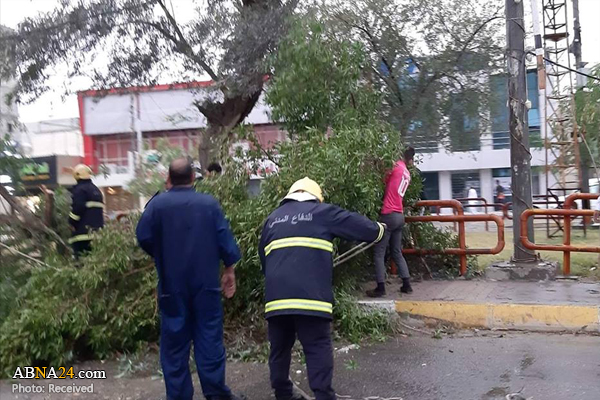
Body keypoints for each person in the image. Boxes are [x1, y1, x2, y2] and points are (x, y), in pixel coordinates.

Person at [259, 177, 385, 400]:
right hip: (311, 299)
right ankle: (323, 395)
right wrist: (380, 230)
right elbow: (362, 227)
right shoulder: (322, 213)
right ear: (315, 198)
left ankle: (282, 392)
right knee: (317, 347)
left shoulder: (272, 219)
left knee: (279, 348)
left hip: (277, 300)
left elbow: (264, 260)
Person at [136, 158, 244, 400]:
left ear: (168, 178)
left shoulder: (157, 205)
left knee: (174, 347)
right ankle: (216, 393)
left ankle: (179, 396)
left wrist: (161, 253)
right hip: (206, 285)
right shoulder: (208, 204)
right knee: (209, 340)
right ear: (193, 178)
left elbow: (143, 235)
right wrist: (229, 270)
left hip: (171, 286)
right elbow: (224, 238)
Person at [366, 147, 415, 298]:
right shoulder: (406, 173)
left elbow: (383, 180)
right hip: (399, 215)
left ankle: (380, 287)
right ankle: (406, 284)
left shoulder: (395, 167)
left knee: (379, 252)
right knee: (396, 251)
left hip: (389, 214)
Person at [68, 164, 104, 258]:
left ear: (76, 175)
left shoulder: (79, 190)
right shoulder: (96, 190)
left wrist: (71, 222)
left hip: (82, 235)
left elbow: (77, 209)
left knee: (81, 261)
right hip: (98, 235)